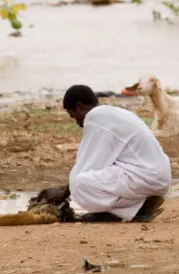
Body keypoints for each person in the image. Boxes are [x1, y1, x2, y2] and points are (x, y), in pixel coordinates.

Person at [36, 84, 171, 222]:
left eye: (74, 116)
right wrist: (63, 189)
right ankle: (140, 204)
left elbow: (88, 167)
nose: (77, 122)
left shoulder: (95, 118)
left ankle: (139, 206)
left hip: (146, 176)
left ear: (79, 107)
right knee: (81, 181)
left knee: (80, 185)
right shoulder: (112, 113)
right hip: (156, 175)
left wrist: (62, 193)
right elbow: (98, 163)